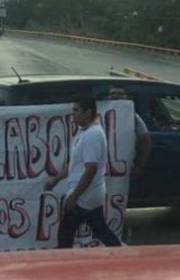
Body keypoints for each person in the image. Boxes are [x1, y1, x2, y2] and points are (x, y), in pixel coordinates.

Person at [44, 94, 122, 249]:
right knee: (100, 229)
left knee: (65, 234)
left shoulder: (93, 135)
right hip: (90, 196)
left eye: (76, 110)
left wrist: (74, 196)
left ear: (88, 113)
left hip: (85, 197)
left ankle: (64, 266)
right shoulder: (84, 132)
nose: (72, 114)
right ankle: (120, 254)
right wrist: (56, 179)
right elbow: (75, 164)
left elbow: (90, 171)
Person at [107, 85, 151, 179]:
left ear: (126, 97)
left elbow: (145, 141)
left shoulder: (133, 117)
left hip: (125, 168)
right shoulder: (100, 115)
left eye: (120, 93)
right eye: (112, 94)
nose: (115, 96)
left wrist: (140, 166)